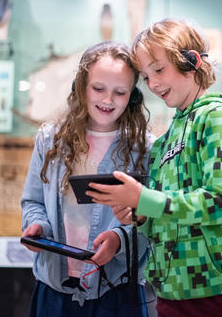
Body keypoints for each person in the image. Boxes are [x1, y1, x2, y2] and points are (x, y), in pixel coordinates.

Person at [88, 18, 222, 317]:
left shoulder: (217, 118)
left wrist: (145, 199)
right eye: (145, 76)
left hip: (218, 286)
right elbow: (166, 214)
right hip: (173, 288)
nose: (153, 83)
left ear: (192, 61)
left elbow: (221, 202)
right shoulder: (165, 140)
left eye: (159, 69)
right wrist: (141, 215)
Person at [20, 41, 152, 317]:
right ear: (80, 87)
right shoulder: (49, 140)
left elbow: (151, 220)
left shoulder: (147, 149)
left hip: (116, 291)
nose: (107, 100)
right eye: (98, 88)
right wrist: (37, 227)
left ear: (134, 96)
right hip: (54, 289)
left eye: (120, 92)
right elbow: (33, 201)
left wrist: (119, 239)